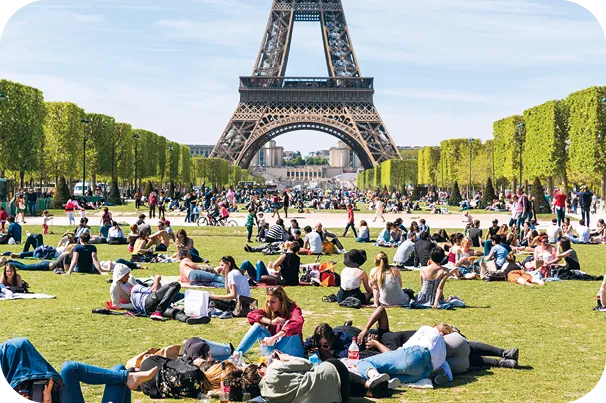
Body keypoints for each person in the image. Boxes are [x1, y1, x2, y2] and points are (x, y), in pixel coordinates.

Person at [0, 337, 158, 403]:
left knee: (69, 369)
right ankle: (127, 378)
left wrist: (49, 386)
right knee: (119, 371)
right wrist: (46, 399)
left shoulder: (27, 377)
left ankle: (126, 377)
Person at [256, 350, 395, 402]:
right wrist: (286, 358)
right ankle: (369, 384)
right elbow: (306, 364)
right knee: (330, 368)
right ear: (259, 372)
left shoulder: (267, 395)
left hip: (337, 397)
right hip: (336, 373)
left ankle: (371, 392)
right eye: (261, 365)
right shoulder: (273, 369)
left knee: (331, 383)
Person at [355, 324, 451, 385]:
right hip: (424, 372)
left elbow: (407, 347)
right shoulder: (443, 351)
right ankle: (383, 382)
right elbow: (449, 374)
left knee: (363, 363)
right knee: (387, 376)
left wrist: (396, 354)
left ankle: (375, 375)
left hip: (416, 354)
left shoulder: (429, 330)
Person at [236, 286, 305, 357]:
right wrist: (271, 322)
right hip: (274, 351)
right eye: (268, 301)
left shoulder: (293, 309)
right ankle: (236, 355)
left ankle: (275, 357)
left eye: (272, 302)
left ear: (281, 301)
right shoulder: (271, 311)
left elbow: (297, 322)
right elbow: (251, 315)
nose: (269, 305)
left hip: (293, 352)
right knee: (258, 325)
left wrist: (275, 337)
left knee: (289, 326)